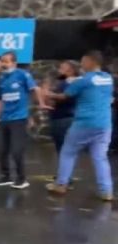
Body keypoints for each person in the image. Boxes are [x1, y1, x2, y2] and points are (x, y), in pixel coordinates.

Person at [46, 51, 115, 201]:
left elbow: (64, 96)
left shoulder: (84, 80)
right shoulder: (108, 78)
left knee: (68, 152)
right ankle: (106, 191)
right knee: (100, 157)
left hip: (85, 122)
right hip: (104, 124)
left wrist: (48, 94)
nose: (82, 65)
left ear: (91, 62)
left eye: (83, 62)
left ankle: (61, 184)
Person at [0, 51, 49, 189]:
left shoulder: (23, 75)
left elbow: (35, 88)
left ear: (14, 63)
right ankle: (6, 176)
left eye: (6, 61)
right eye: (2, 61)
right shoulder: (1, 79)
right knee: (1, 149)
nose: (3, 64)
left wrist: (41, 103)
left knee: (17, 150)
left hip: (18, 118)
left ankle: (22, 179)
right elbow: (1, 99)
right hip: (4, 118)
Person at [47, 61, 80, 155]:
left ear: (71, 70)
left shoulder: (70, 83)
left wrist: (49, 94)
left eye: (62, 68)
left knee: (63, 149)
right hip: (62, 118)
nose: (59, 70)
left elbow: (63, 98)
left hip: (64, 118)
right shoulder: (63, 82)